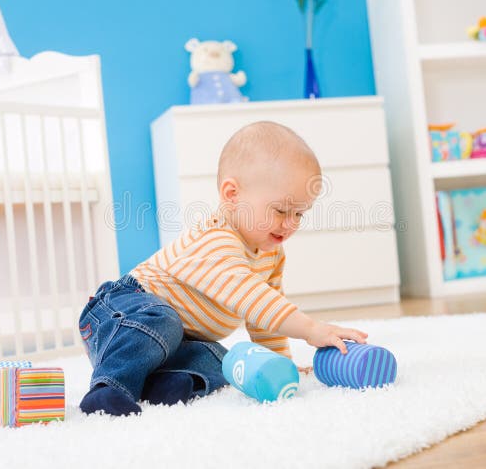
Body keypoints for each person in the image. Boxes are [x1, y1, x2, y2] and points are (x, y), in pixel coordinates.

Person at [78, 121, 368, 416]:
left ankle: (159, 385)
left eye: (300, 214)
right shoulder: (216, 240)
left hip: (179, 341)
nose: (291, 223)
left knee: (225, 361)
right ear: (232, 194)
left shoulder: (272, 255)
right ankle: (108, 390)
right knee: (162, 321)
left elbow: (264, 318)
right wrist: (311, 330)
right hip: (121, 311)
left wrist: (280, 364)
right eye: (281, 210)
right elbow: (252, 297)